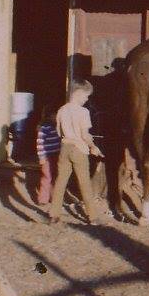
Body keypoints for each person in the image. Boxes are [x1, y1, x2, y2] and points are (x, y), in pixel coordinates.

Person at [47, 80, 108, 224]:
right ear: (79, 93)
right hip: (79, 150)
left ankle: (53, 214)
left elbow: (58, 131)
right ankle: (92, 217)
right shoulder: (83, 112)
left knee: (60, 181)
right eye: (86, 96)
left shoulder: (61, 110)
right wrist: (93, 146)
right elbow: (85, 134)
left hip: (64, 148)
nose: (87, 100)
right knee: (85, 183)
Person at [35, 106, 61, 206]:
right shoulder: (44, 127)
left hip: (56, 154)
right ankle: (43, 199)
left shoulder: (57, 126)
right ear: (50, 115)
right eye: (56, 115)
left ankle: (53, 197)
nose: (57, 117)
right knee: (47, 176)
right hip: (47, 155)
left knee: (55, 175)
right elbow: (40, 143)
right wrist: (41, 157)